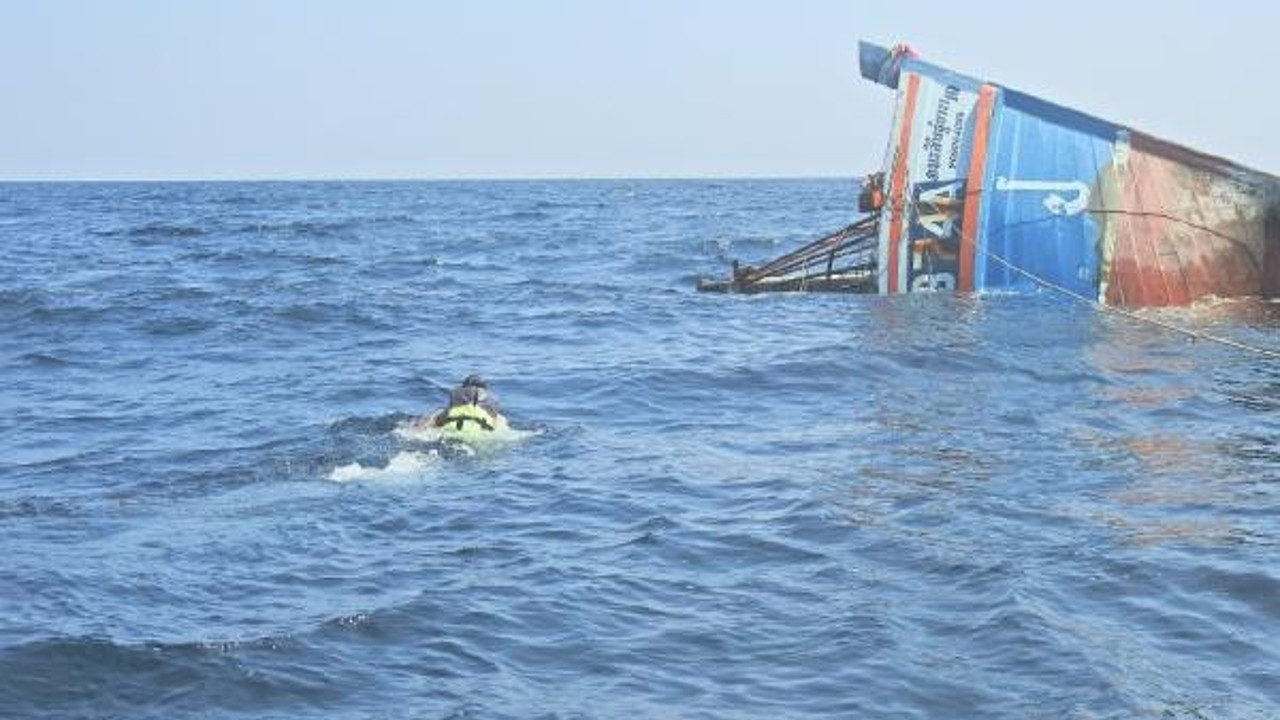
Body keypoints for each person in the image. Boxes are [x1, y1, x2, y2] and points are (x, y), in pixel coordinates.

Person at [428, 374, 508, 432]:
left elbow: (437, 421)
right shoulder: (493, 402)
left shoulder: (457, 397)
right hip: (481, 431)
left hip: (454, 428)